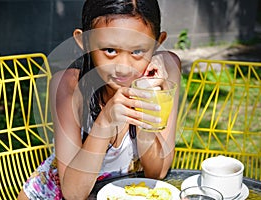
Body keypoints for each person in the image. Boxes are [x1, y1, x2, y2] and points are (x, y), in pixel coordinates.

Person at [17, 0, 181, 199]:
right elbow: (73, 194)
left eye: (138, 51)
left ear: (158, 41)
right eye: (110, 50)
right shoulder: (68, 86)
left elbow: (157, 172)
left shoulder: (165, 71)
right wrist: (104, 123)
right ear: (84, 41)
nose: (123, 67)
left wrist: (145, 99)